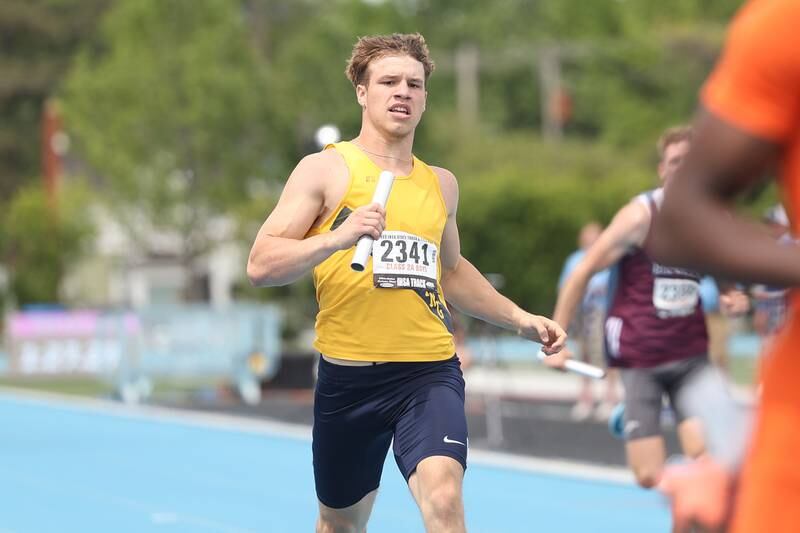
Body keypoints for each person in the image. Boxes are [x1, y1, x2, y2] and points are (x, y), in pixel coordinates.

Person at [246, 33, 566, 533]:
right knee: (340, 524)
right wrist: (337, 238)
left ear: (425, 98)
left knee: (443, 502)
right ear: (362, 92)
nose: (402, 93)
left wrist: (520, 319)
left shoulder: (440, 183)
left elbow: (452, 270)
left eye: (414, 84)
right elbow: (262, 264)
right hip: (349, 380)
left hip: (427, 373)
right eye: (389, 81)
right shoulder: (327, 170)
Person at [545, 126, 745, 490]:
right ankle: (638, 412)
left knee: (708, 461)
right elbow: (582, 272)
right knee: (649, 476)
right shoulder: (640, 217)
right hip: (641, 359)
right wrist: (557, 342)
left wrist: (734, 295)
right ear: (662, 169)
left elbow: (723, 270)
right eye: (674, 162)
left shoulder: (711, 220)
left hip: (690, 356)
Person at [557, 221, 619, 421]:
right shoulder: (574, 259)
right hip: (582, 313)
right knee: (583, 355)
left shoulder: (609, 258)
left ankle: (610, 398)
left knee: (606, 355)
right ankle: (586, 398)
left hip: (603, 312)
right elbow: (565, 286)